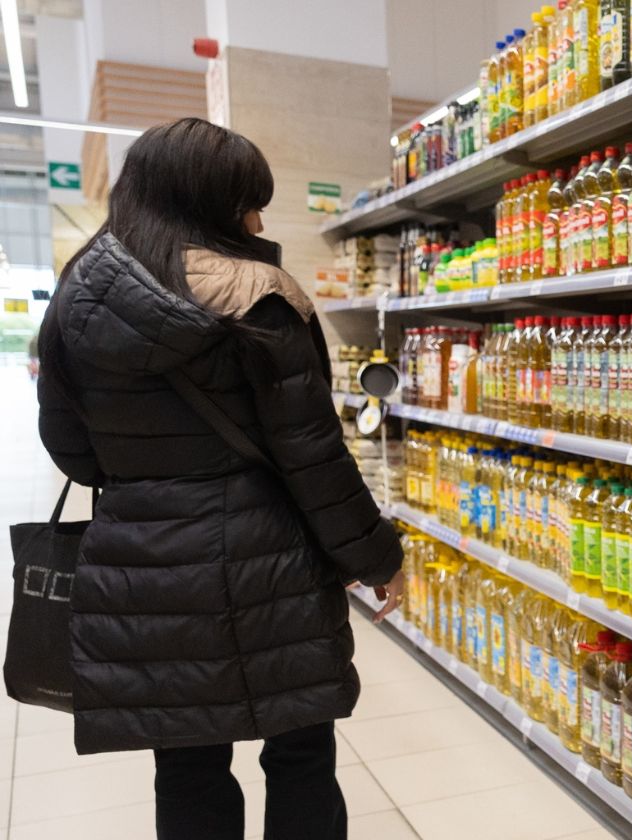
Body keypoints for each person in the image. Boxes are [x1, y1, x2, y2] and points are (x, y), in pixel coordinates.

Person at [36, 117, 403, 840]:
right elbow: (313, 458)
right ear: (205, 200)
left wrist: (148, 477)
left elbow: (70, 448)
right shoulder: (261, 296)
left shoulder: (76, 297)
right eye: (247, 201)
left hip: (148, 573)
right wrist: (376, 556)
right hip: (275, 570)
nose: (258, 219)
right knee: (300, 755)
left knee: (187, 766)